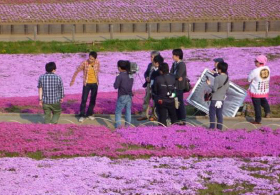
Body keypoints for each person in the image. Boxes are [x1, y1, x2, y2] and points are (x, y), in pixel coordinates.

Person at [70, 51, 100, 122]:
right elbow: (77, 71)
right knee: (84, 99)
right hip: (87, 84)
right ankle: (82, 115)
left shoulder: (97, 62)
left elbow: (97, 71)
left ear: (95, 59)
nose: (90, 60)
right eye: (89, 58)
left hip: (95, 83)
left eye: (92, 59)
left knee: (93, 100)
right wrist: (73, 80)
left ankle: (89, 114)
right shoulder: (84, 63)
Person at [137, 51, 160, 121]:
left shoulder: (160, 65)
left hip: (156, 86)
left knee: (154, 102)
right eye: (150, 57)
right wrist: (146, 77)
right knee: (146, 100)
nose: (151, 58)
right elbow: (146, 73)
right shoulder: (150, 65)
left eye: (152, 57)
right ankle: (144, 115)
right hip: (148, 85)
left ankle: (154, 115)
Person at [248, 55, 271, 124]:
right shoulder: (267, 68)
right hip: (264, 89)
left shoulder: (255, 71)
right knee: (263, 100)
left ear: (259, 62)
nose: (254, 62)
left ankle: (258, 120)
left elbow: (249, 79)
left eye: (256, 61)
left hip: (256, 90)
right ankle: (267, 111)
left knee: (257, 105)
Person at [206, 62, 229, 130]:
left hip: (215, 99)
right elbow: (227, 89)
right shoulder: (227, 78)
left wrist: (209, 84)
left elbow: (214, 89)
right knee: (219, 114)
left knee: (212, 114)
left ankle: (212, 127)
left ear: (219, 70)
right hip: (221, 99)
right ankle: (219, 128)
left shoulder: (217, 78)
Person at [114, 60, 134, 128]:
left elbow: (115, 86)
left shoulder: (119, 76)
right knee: (128, 111)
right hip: (129, 96)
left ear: (119, 68)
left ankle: (118, 127)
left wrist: (116, 77)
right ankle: (127, 126)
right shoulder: (130, 75)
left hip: (122, 96)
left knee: (118, 112)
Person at [170, 49, 187, 122]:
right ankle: (176, 118)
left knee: (179, 102)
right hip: (174, 86)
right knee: (174, 101)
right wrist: (175, 76)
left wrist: (176, 76)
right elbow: (171, 74)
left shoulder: (182, 64)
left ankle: (182, 118)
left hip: (179, 87)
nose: (172, 56)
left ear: (177, 56)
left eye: (173, 55)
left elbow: (178, 75)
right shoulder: (174, 64)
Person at [150, 55, 164, 121]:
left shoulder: (156, 72)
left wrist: (151, 89)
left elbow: (153, 82)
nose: (153, 63)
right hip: (160, 91)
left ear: (157, 63)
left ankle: (159, 118)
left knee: (157, 106)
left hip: (157, 92)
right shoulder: (162, 70)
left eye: (154, 62)